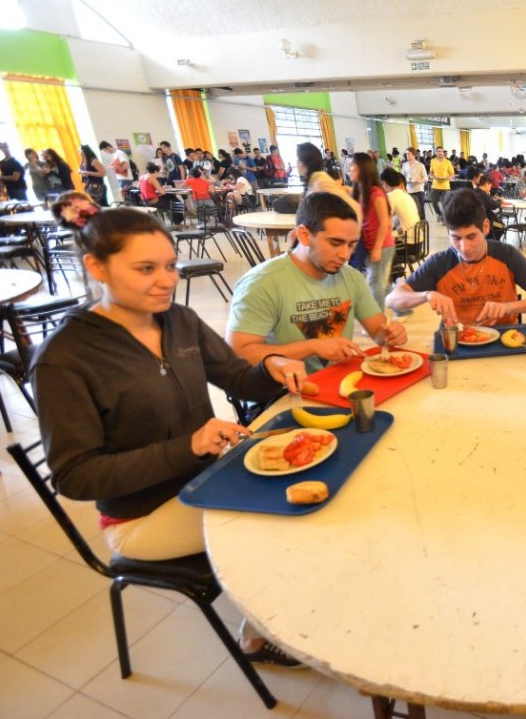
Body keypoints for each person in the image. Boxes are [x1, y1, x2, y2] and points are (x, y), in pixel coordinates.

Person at [32, 207, 306, 665]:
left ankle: (274, 607)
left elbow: (238, 379)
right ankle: (256, 635)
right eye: (146, 269)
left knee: (304, 481)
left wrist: (273, 365)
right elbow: (75, 477)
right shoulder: (66, 358)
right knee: (279, 517)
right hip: (141, 515)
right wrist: (190, 446)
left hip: (206, 481)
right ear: (96, 267)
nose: (166, 280)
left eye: (170, 266)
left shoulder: (177, 320)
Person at [227, 192, 406, 374]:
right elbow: (238, 354)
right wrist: (312, 346)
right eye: (335, 243)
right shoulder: (262, 283)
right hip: (283, 393)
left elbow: (378, 331)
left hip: (338, 384)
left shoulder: (351, 277)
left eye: (351, 244)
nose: (345, 255)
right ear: (304, 235)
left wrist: (391, 334)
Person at [385, 189, 526, 327]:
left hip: (503, 339)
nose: (464, 248)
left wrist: (509, 307)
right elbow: (392, 300)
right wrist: (427, 295)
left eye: (471, 237)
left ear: (486, 227)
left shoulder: (506, 255)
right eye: (456, 238)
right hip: (460, 341)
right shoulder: (440, 263)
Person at [348, 153, 394, 312]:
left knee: (374, 284)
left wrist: (377, 248)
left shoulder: (376, 193)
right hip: (368, 244)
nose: (349, 169)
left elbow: (385, 223)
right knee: (382, 283)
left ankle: (379, 322)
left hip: (382, 245)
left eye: (352, 166)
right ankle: (402, 307)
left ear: (362, 169)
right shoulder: (359, 191)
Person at [297, 142, 360, 224]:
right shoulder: (314, 180)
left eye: (298, 160)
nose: (297, 163)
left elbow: (350, 205)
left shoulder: (320, 181)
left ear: (304, 163)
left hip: (346, 227)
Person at [380, 166, 421, 240]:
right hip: (418, 239)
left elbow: (385, 222)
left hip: (407, 242)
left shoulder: (390, 196)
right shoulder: (406, 195)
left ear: (384, 183)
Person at [473, 175, 506, 240]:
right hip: (486, 221)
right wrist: (499, 201)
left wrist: (491, 197)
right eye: (489, 186)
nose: (490, 188)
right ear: (486, 184)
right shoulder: (483, 194)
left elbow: (488, 203)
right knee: (502, 226)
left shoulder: (476, 191)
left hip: (476, 220)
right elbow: (493, 206)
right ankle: (493, 243)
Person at [401, 147, 428, 222]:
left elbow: (426, 177)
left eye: (409, 153)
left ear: (414, 155)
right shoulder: (404, 165)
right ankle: (414, 222)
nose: (407, 155)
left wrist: (420, 180)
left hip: (419, 189)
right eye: (406, 154)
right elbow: (402, 177)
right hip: (409, 190)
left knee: (421, 208)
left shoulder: (420, 165)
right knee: (411, 208)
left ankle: (423, 223)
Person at [429, 146, 454, 221]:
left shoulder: (448, 162)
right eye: (438, 151)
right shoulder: (433, 161)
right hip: (435, 185)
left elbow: (452, 173)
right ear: (436, 152)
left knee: (444, 203)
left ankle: (444, 218)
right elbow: (431, 172)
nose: (440, 153)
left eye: (441, 151)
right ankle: (439, 214)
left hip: (445, 186)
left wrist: (449, 178)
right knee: (433, 202)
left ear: (443, 153)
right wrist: (433, 176)